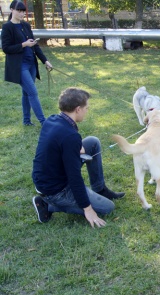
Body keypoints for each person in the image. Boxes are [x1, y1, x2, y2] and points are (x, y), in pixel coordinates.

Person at [32, 88, 125, 227]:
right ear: (77, 110)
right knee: (108, 207)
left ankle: (100, 189)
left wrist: (77, 147)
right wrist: (88, 208)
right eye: (86, 108)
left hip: (46, 177)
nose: (87, 110)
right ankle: (47, 204)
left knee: (92, 142)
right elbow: (74, 177)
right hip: (55, 190)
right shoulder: (70, 137)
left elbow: (61, 144)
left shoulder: (53, 119)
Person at [1, 0, 53, 126]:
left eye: (23, 11)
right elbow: (6, 48)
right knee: (33, 92)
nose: (21, 13)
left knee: (26, 93)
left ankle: (27, 121)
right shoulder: (7, 27)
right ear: (12, 9)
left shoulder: (26, 25)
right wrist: (24, 44)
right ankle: (44, 122)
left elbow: (35, 46)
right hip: (20, 66)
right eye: (19, 10)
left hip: (31, 64)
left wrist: (45, 60)